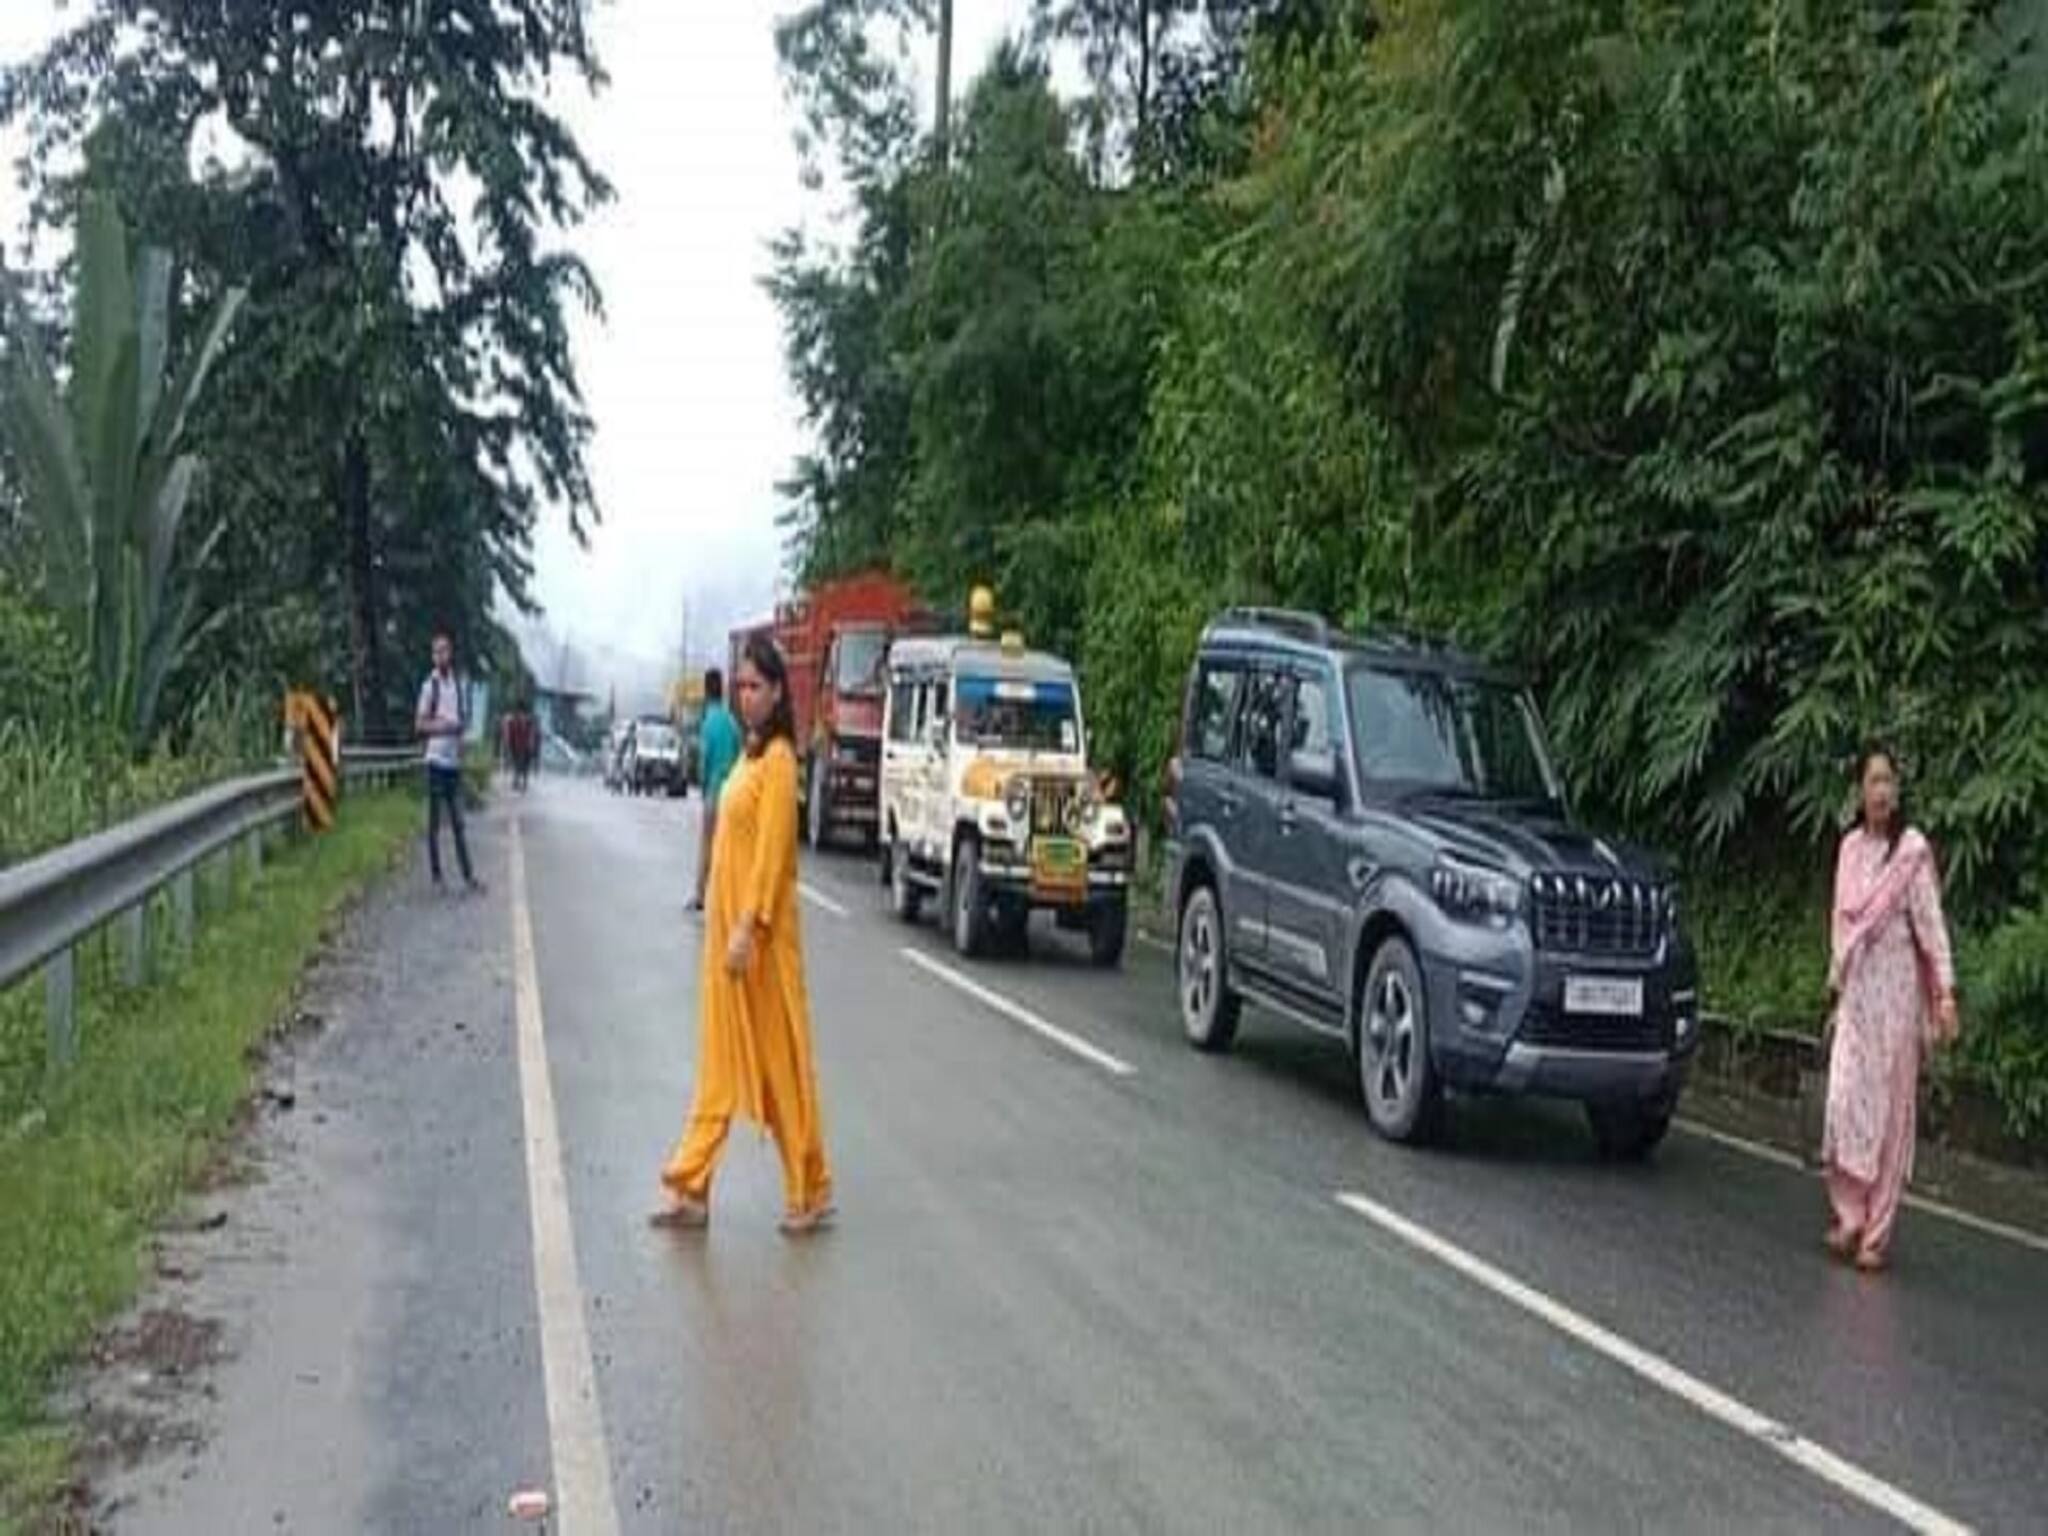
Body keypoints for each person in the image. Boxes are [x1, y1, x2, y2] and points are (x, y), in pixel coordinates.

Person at [653, 636, 834, 1235]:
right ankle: (692, 1185)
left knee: (780, 1068)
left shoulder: (780, 760)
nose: (747, 695)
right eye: (742, 685)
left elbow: (774, 855)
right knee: (718, 1066)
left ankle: (807, 1189)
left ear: (779, 691)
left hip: (758, 946)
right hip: (725, 944)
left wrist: (749, 928)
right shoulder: (750, 756)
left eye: (757, 686)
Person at [1822, 744, 1958, 1272]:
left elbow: (1931, 927)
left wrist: (1944, 992)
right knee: (1844, 1102)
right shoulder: (1851, 849)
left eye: (1889, 781)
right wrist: (1836, 990)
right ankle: (1847, 1214)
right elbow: (1841, 927)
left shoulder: (1912, 854)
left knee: (1891, 1113)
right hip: (1858, 999)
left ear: (1898, 791)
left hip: (1898, 1002)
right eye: (1873, 780)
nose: (1881, 790)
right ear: (1860, 789)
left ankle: (1875, 1232)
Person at [415, 632, 483, 893]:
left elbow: (462, 721)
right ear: (433, 656)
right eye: (437, 652)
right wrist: (444, 728)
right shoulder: (428, 686)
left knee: (458, 822)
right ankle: (436, 876)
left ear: (450, 653)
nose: (441, 656)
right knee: (434, 822)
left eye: (445, 651)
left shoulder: (457, 685)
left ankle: (468, 876)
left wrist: (462, 737)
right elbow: (419, 725)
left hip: (454, 763)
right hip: (434, 761)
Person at [690, 668, 742, 913]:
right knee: (729, 849)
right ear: (722, 689)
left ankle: (701, 895)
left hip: (714, 791)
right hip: (733, 793)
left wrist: (703, 785)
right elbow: (742, 756)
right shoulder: (732, 721)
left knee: (707, 845)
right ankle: (727, 899)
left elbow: (703, 759)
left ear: (705, 690)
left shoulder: (708, 722)